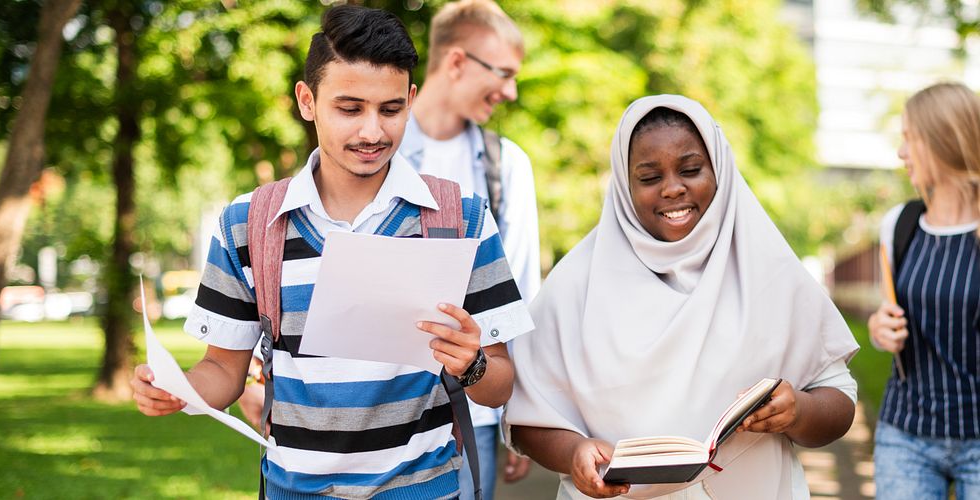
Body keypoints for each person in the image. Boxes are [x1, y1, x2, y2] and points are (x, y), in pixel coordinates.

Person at [130, 5, 534, 498]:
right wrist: (179, 388)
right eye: (349, 109)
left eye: (390, 110)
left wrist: (471, 363)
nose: (372, 132)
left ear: (411, 99)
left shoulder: (461, 217)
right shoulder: (249, 223)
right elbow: (223, 370)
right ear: (307, 100)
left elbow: (500, 383)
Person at [503, 95, 860, 499]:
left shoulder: (770, 271)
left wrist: (799, 410)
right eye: (649, 178)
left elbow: (839, 400)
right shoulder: (575, 284)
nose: (673, 189)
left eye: (690, 170)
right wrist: (574, 454)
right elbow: (528, 417)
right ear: (624, 184)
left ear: (719, 170)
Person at [397, 0, 539, 496]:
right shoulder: (376, 146)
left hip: (472, 417)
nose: (511, 91)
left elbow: (521, 296)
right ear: (456, 62)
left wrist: (518, 420)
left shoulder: (507, 167)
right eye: (502, 72)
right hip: (377, 412)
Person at [868, 82, 980, 500]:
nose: (901, 153)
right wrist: (881, 328)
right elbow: (888, 313)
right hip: (907, 435)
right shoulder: (900, 224)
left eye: (909, 139)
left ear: (942, 141)